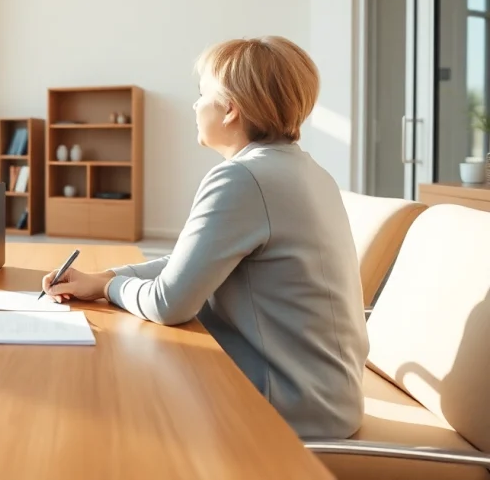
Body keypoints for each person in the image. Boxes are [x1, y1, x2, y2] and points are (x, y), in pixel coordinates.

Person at [41, 36, 370, 439]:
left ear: (230, 109)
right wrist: (104, 278)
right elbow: (191, 261)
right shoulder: (308, 172)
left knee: (105, 383)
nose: (195, 106)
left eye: (202, 95)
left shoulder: (243, 178)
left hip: (288, 405)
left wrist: (111, 287)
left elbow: (168, 303)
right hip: (324, 396)